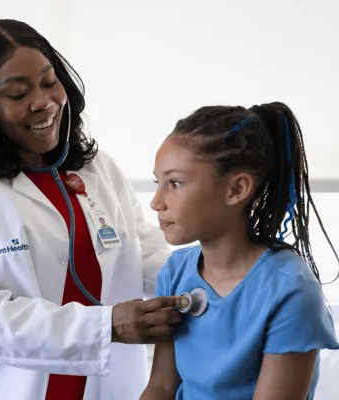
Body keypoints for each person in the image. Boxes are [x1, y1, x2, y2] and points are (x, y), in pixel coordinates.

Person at [0, 19, 188, 400]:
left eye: (49, 82)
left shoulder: (97, 168)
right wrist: (107, 327)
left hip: (112, 389)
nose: (43, 102)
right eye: (18, 93)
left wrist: (219, 272)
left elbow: (146, 254)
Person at [141, 103, 339, 399]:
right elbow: (161, 387)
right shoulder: (175, 271)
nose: (157, 202)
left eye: (175, 183)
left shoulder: (291, 290)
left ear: (236, 189)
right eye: (159, 183)